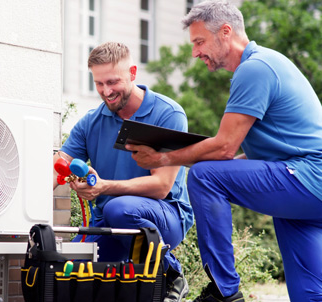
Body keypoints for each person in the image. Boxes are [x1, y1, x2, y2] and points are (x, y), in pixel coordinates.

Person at [126, 1, 322, 301]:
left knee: (205, 176)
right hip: (303, 189)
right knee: (309, 292)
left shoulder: (254, 69)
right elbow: (248, 158)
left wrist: (162, 158)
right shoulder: (266, 63)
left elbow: (225, 148)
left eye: (199, 41)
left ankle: (223, 291)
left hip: (308, 177)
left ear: (226, 32)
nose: (195, 52)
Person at [53, 42, 193, 302]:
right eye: (99, 83)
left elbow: (161, 186)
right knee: (67, 278)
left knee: (119, 208)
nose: (106, 91)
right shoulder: (91, 122)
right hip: (107, 221)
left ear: (132, 72)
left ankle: (170, 272)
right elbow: (56, 166)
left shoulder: (168, 114)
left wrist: (104, 187)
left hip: (164, 216)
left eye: (113, 82)